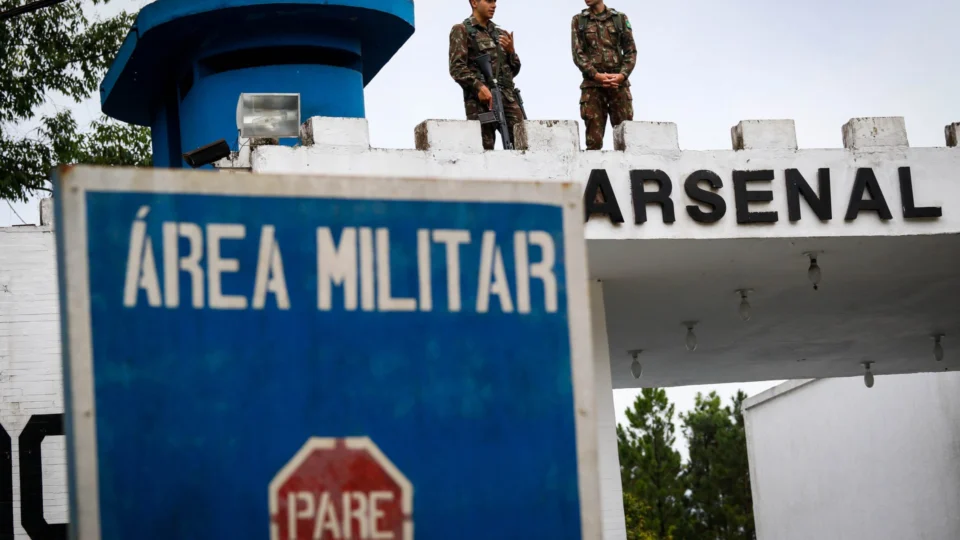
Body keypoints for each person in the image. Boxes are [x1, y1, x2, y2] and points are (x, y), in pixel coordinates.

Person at [449, 0, 524, 150]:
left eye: (495, 1)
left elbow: (513, 71)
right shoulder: (462, 30)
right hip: (481, 102)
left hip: (507, 99)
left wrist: (511, 52)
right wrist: (479, 87)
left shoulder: (500, 34)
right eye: (489, 1)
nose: (494, 5)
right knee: (484, 149)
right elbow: (457, 67)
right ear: (474, 2)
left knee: (523, 144)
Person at [571, 0, 638, 150]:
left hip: (618, 85)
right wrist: (596, 75)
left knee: (626, 139)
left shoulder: (619, 19)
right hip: (593, 86)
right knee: (593, 142)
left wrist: (622, 75)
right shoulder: (579, 21)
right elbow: (578, 53)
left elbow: (630, 51)